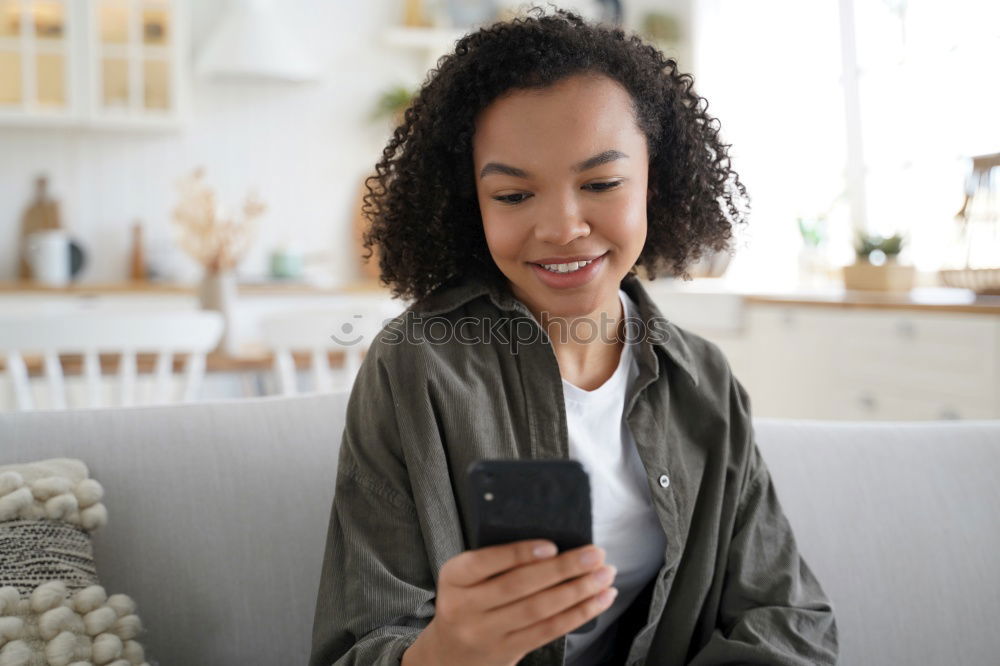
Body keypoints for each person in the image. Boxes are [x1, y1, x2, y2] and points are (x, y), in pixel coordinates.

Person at [310, 8, 837, 665]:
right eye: (511, 196)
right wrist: (447, 652)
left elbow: (788, 616)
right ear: (469, 203)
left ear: (657, 180)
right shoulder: (414, 367)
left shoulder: (701, 380)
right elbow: (357, 645)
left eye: (601, 184)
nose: (561, 227)